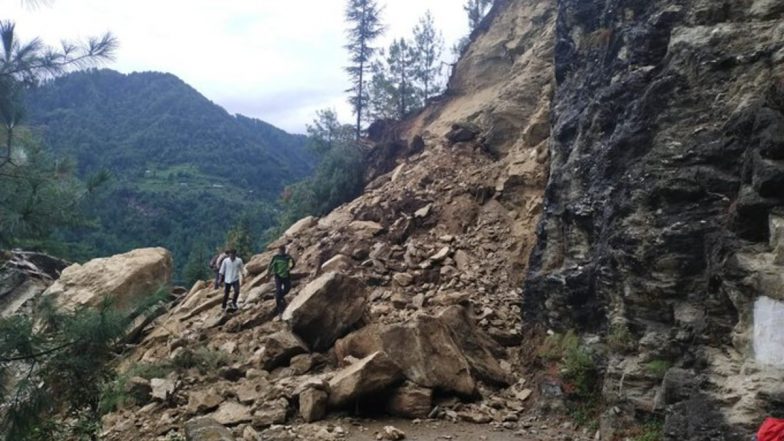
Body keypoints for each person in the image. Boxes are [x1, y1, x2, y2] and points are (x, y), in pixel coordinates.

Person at [268, 245, 295, 317]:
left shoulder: (287, 257)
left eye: (281, 251)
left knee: (287, 288)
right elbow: (270, 266)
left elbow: (292, 263)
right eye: (279, 251)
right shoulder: (275, 257)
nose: (280, 252)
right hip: (278, 276)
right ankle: (280, 310)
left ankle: (280, 296)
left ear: (284, 251)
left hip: (286, 275)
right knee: (278, 290)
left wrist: (290, 267)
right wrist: (268, 274)